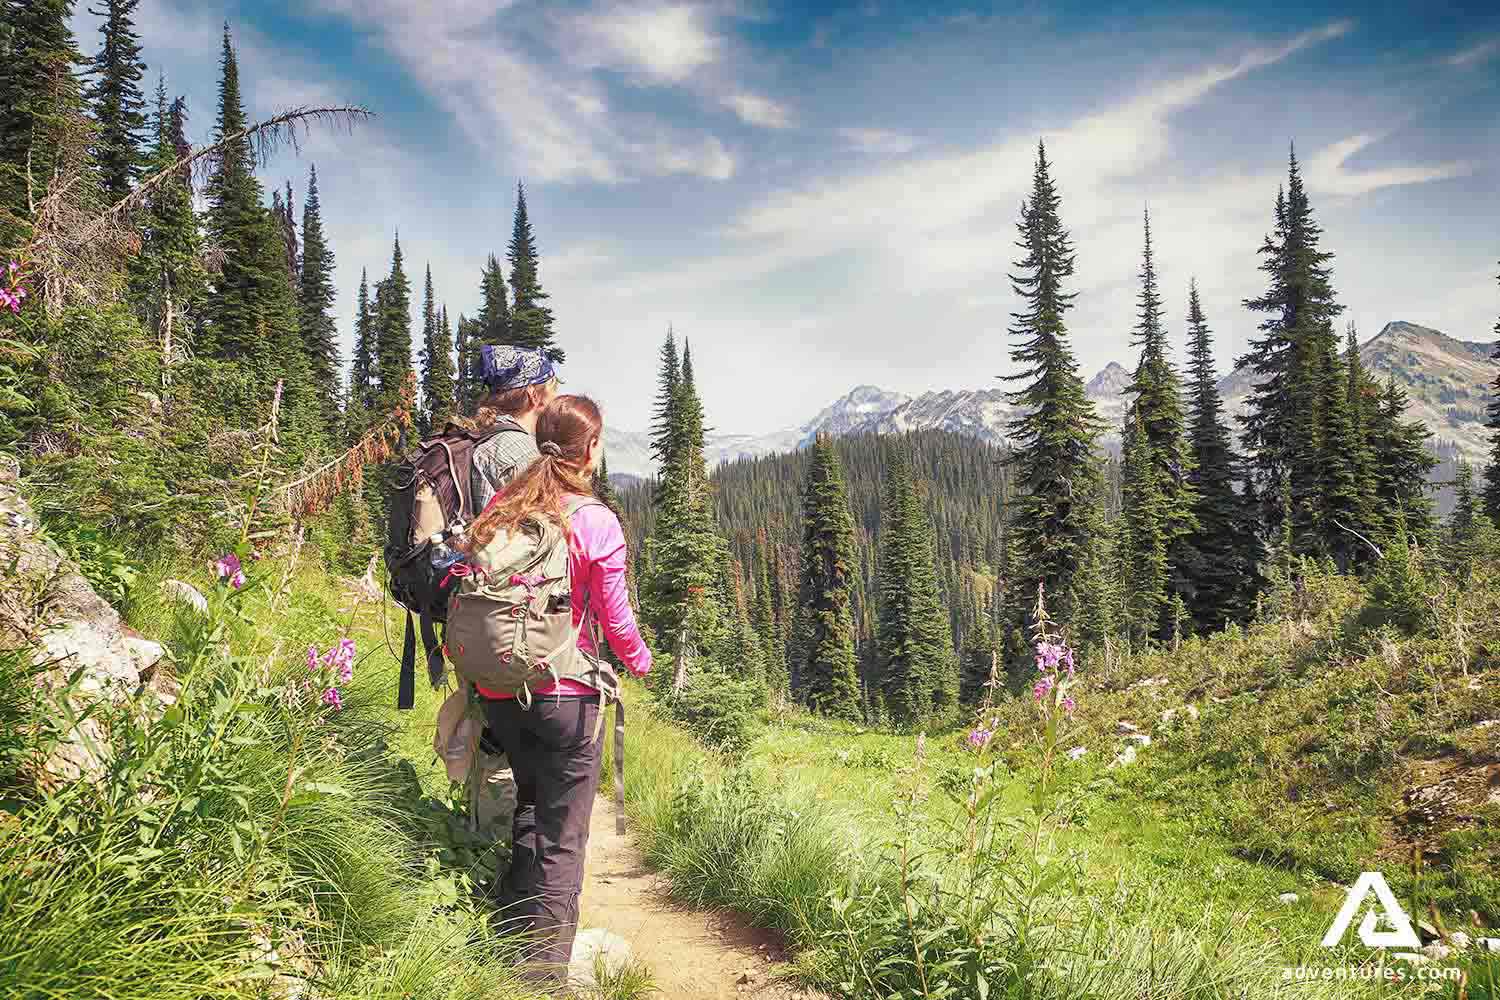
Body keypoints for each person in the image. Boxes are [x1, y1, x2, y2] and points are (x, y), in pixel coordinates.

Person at [462, 394, 652, 986]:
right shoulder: (595, 520)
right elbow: (616, 620)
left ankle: (508, 951)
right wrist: (640, 663)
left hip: (501, 692)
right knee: (563, 840)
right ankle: (540, 980)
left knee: (528, 810)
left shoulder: (504, 507)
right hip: (567, 695)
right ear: (590, 449)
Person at [469, 344, 561, 514]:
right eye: (553, 390)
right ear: (533, 395)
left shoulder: (475, 435)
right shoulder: (525, 455)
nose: (555, 400)